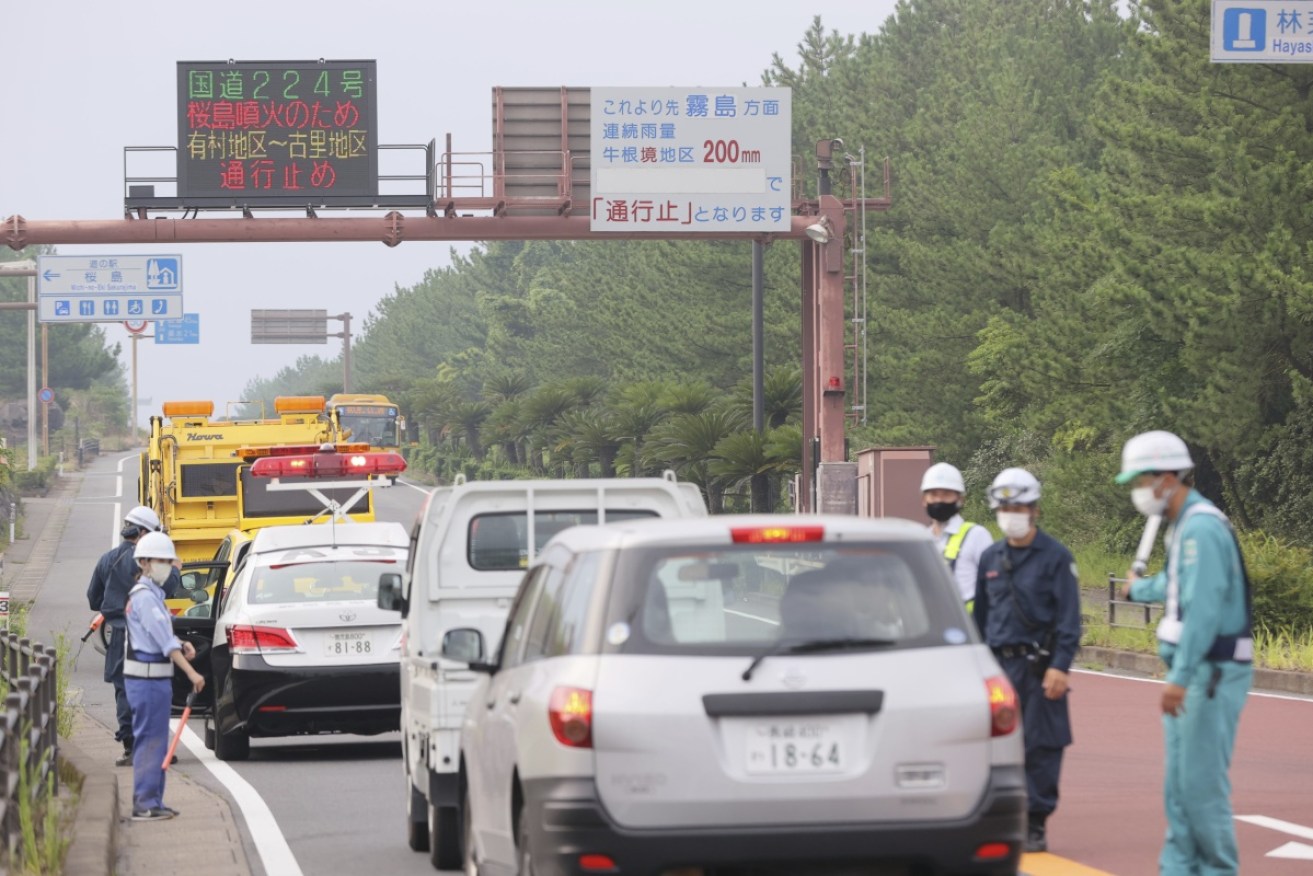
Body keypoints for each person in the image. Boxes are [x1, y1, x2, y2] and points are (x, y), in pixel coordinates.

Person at [1116, 431, 1252, 875]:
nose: (1138, 490)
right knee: (1178, 787)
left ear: (1168, 477)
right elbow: (1178, 587)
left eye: (1142, 479)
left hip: (1207, 672)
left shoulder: (1202, 528)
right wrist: (1141, 590)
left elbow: (1205, 609)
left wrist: (1180, 677)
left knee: (1200, 787)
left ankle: (1215, 869)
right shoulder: (1183, 526)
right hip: (1190, 670)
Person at [973, 467, 1082, 854]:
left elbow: (1070, 619)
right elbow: (980, 621)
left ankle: (1035, 821)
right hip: (999, 668)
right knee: (993, 744)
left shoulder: (1056, 557)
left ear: (1034, 509)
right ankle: (997, 817)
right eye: (1005, 506)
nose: (1012, 512)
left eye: (1019, 505)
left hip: (1040, 668)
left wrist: (1060, 666)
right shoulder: (990, 557)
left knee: (1041, 745)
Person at [86, 505, 179, 766]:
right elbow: (172, 586)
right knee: (155, 690)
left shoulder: (108, 559)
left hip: (118, 636)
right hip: (149, 635)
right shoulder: (153, 562)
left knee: (124, 690)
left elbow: (94, 598)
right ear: (143, 532)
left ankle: (130, 748)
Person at [124, 531, 205, 821]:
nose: (167, 566)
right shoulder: (145, 598)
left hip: (153, 680)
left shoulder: (152, 596)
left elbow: (164, 632)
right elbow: (163, 641)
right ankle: (145, 803)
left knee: (156, 741)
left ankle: (153, 800)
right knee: (150, 741)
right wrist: (192, 672)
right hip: (146, 681)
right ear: (144, 563)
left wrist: (182, 642)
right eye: (162, 561)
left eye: (169, 562)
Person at [921, 462, 992, 606]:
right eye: (933, 495)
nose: (939, 500)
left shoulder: (977, 536)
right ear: (924, 500)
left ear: (960, 500)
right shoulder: (921, 539)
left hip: (971, 625)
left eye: (946, 495)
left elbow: (994, 586)